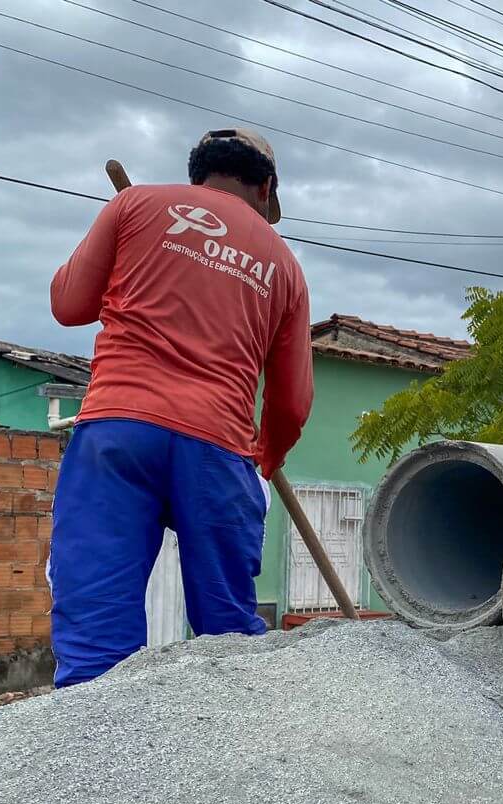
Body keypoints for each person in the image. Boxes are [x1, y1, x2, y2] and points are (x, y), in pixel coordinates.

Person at [48, 129, 313, 687]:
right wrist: (265, 457)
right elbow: (292, 402)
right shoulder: (284, 265)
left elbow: (69, 305)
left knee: (95, 635)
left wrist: (127, 243)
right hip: (219, 445)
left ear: (198, 172)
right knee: (228, 638)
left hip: (118, 432)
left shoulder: (135, 205)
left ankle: (94, 758)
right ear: (266, 188)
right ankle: (237, 754)